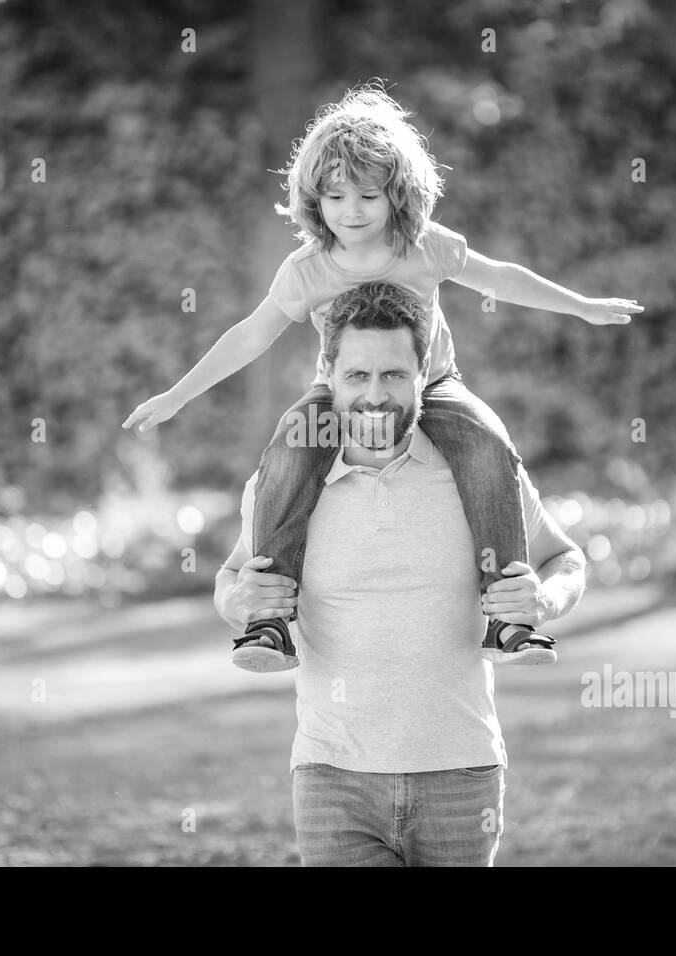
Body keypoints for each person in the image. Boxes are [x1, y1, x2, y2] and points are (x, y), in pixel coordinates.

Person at [125, 83, 634, 669]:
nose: (353, 211)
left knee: (488, 445)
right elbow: (249, 335)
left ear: (399, 194)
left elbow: (500, 278)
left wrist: (583, 306)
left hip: (433, 384)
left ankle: (509, 618)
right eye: (336, 196)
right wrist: (177, 395)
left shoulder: (424, 247)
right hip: (339, 393)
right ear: (314, 200)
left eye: (369, 195)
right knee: (291, 449)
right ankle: (268, 622)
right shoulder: (308, 270)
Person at [214, 281, 586, 866]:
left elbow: (565, 559)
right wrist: (238, 601)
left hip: (461, 773)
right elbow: (233, 575)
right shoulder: (279, 489)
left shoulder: (481, 475)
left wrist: (545, 599)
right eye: (357, 376)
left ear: (424, 376)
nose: (374, 396)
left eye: (393, 375)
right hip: (332, 776)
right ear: (329, 377)